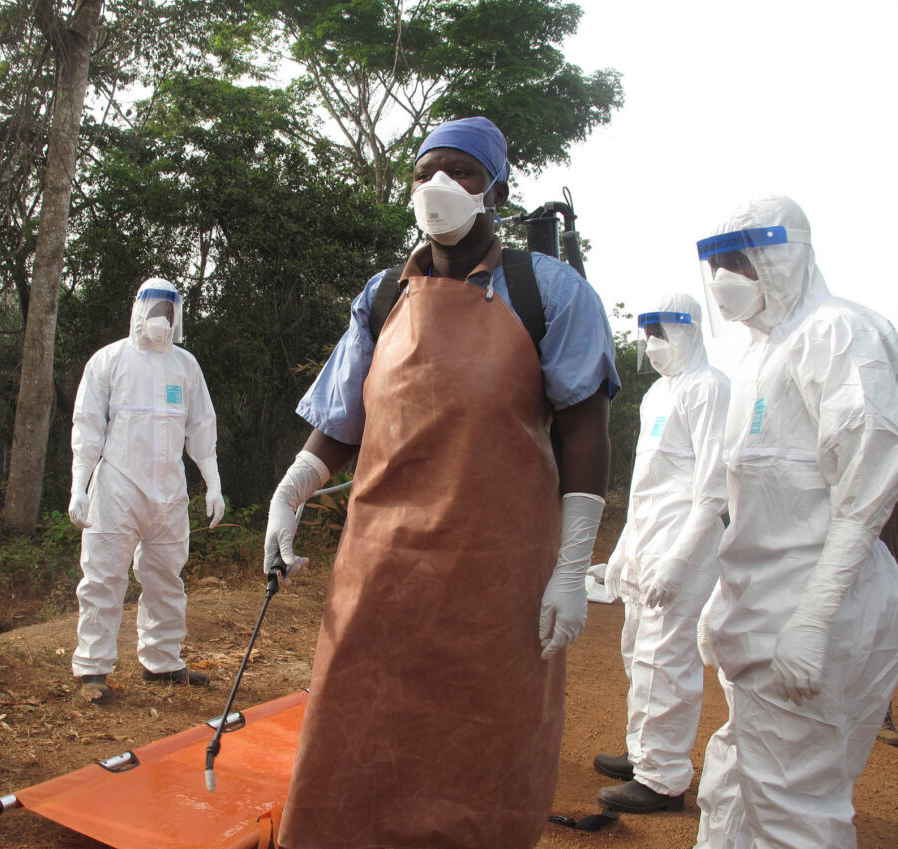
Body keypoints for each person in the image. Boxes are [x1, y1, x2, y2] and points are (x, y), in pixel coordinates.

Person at [261, 117, 619, 849]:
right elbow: (342, 416)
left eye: (459, 172)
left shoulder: (546, 292)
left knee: (483, 740)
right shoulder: (382, 295)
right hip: (381, 564)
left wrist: (572, 566)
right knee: (357, 728)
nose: (439, 188)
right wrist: (293, 488)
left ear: (495, 188)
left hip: (496, 574)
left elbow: (586, 428)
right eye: (426, 172)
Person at [693, 194, 898, 848]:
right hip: (756, 622)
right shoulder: (757, 357)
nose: (725, 278)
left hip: (815, 623)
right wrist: (721, 604)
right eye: (716, 264)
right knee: (737, 777)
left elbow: (868, 491)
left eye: (740, 262)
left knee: (796, 811)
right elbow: (754, 503)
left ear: (784, 256)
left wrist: (813, 618)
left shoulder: (839, 333)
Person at [595, 294, 729, 813]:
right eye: (646, 333)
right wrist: (623, 550)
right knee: (637, 651)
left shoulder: (710, 389)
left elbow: (713, 485)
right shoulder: (656, 393)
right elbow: (644, 483)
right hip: (648, 538)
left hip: (685, 546)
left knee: (665, 659)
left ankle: (663, 776)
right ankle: (643, 751)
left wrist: (678, 559)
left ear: (692, 331)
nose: (653, 344)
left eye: (663, 332)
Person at [68, 278, 224, 700]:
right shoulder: (109, 360)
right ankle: (93, 669)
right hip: (118, 485)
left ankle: (163, 660)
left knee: (166, 577)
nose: (162, 316)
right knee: (103, 576)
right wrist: (78, 487)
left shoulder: (186, 366)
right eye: (154, 307)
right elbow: (88, 427)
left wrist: (213, 483)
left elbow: (200, 428)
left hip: (169, 491)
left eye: (169, 309)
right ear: (138, 310)